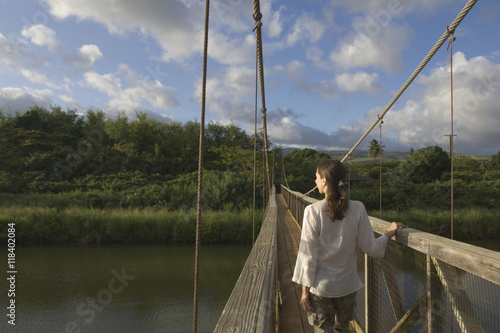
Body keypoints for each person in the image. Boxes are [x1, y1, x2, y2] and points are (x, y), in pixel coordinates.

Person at [292, 159, 406, 333]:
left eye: (316, 177)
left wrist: (304, 291)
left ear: (324, 180)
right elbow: (372, 248)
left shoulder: (312, 211)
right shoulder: (358, 208)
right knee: (343, 329)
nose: (314, 182)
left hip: (322, 289)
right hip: (347, 287)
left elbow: (308, 256)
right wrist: (390, 232)